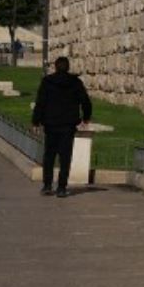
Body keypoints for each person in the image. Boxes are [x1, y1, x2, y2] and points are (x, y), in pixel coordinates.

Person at [31, 56, 93, 197]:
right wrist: (86, 118)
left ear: (55, 67)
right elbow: (86, 102)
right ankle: (61, 187)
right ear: (68, 67)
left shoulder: (47, 82)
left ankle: (47, 185)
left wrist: (35, 121)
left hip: (51, 124)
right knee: (65, 157)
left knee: (49, 156)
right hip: (68, 125)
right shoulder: (75, 83)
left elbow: (40, 102)